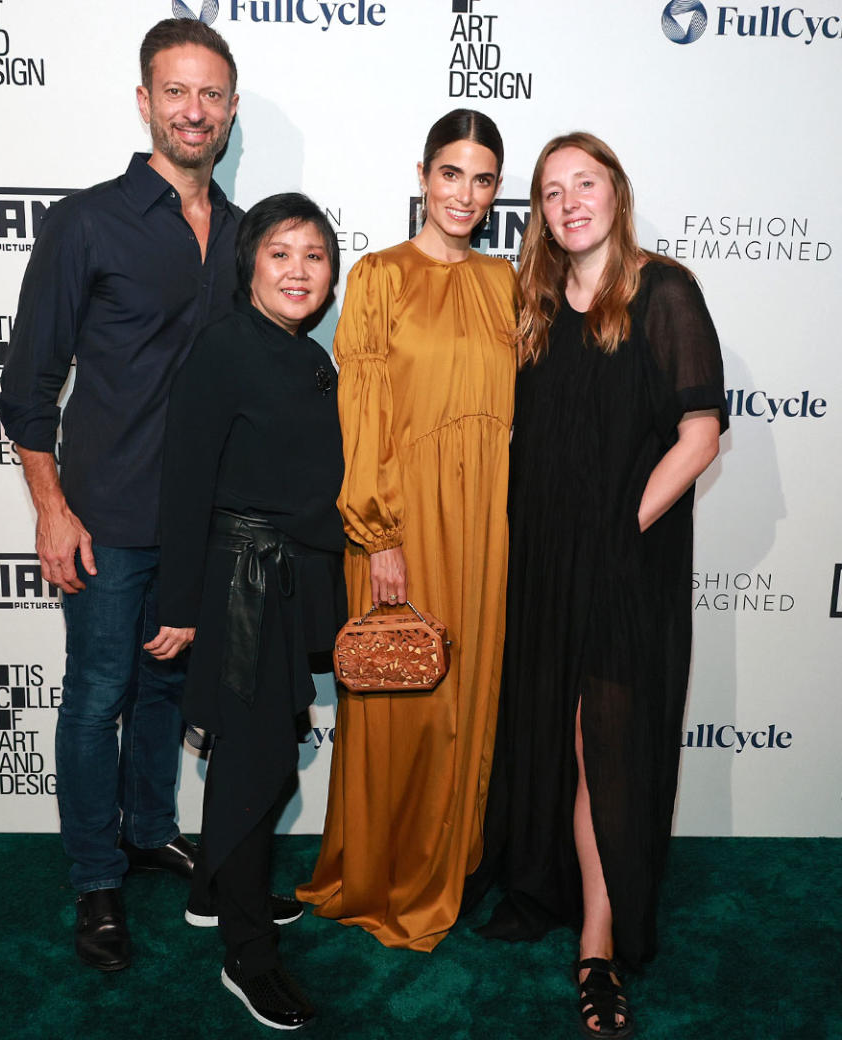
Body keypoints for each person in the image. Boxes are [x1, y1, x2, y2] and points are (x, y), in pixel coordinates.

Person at [469, 132, 727, 1038]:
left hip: (625, 561)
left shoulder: (663, 291)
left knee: (601, 747)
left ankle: (599, 947)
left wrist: (620, 530)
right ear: (538, 212)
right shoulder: (535, 301)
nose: (569, 201)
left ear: (617, 190)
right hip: (544, 562)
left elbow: (700, 436)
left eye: (585, 183)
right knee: (554, 737)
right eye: (550, 191)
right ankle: (563, 896)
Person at [0, 18, 243, 972]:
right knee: (96, 693)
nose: (194, 110)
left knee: (165, 689)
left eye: (211, 95)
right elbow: (27, 383)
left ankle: (148, 830)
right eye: (176, 92)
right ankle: (96, 880)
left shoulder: (243, 232)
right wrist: (50, 506)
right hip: (104, 519)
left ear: (229, 110)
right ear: (145, 101)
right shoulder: (86, 220)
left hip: (203, 524)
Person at [297, 109, 517, 951]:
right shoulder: (380, 274)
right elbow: (363, 412)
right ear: (422, 176)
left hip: (484, 524)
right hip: (401, 519)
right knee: (402, 698)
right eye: (451, 173)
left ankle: (447, 864)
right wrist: (378, 532)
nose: (464, 193)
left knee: (468, 700)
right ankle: (385, 872)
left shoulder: (503, 282)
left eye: (483, 178)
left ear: (497, 190)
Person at [152, 193, 345, 1030]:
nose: (299, 270)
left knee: (259, 747)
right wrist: (181, 604)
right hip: (238, 583)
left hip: (288, 578)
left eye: (314, 255)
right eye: (280, 253)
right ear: (250, 265)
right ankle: (247, 955)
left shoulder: (308, 356)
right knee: (259, 760)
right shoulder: (225, 348)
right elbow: (187, 480)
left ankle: (211, 892)